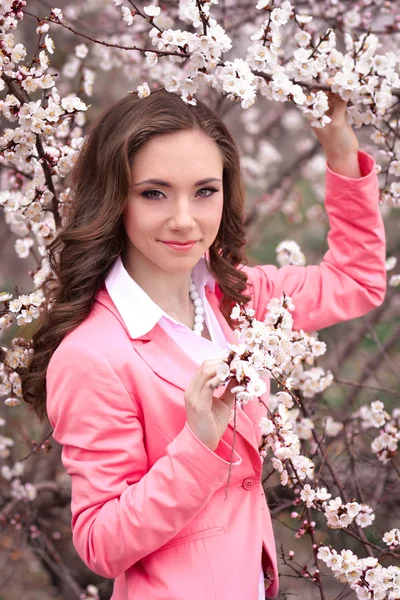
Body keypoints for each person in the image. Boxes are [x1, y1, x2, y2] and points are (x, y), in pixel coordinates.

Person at [22, 88, 387, 600]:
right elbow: (99, 543)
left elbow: (357, 281)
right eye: (154, 192)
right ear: (114, 197)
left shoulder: (236, 297)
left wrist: (341, 151)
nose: (184, 220)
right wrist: (196, 445)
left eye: (204, 191)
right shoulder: (93, 356)